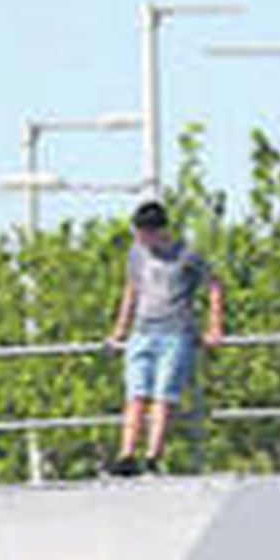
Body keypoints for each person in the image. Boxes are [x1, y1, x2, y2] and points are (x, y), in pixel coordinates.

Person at [105, 200, 225, 475]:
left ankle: (153, 456)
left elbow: (214, 285)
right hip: (142, 332)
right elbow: (132, 290)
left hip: (175, 333)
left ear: (159, 231)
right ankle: (126, 455)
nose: (141, 239)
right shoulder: (137, 254)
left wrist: (214, 326)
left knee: (164, 396)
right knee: (136, 394)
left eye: (144, 233)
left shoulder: (187, 255)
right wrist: (120, 330)